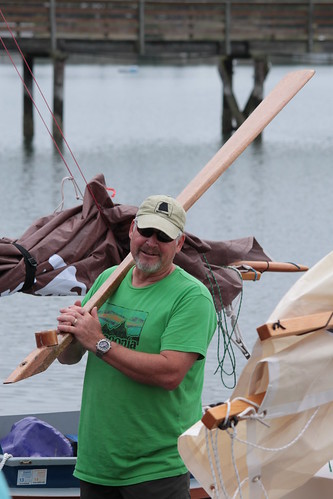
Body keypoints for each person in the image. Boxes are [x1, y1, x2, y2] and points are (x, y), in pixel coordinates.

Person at [57, 194, 217, 499]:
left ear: (179, 244)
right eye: (146, 232)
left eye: (164, 236)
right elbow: (70, 357)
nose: (151, 243)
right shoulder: (109, 279)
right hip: (96, 464)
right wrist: (70, 332)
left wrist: (100, 342)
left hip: (156, 468)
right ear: (132, 230)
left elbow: (170, 374)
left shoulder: (191, 298)